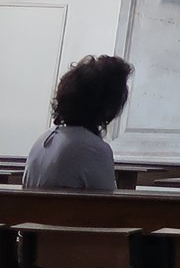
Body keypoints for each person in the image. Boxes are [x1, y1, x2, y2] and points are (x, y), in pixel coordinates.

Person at [23, 55, 133, 190]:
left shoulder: (42, 140)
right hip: (64, 211)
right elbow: (108, 206)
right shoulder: (92, 149)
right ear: (108, 104)